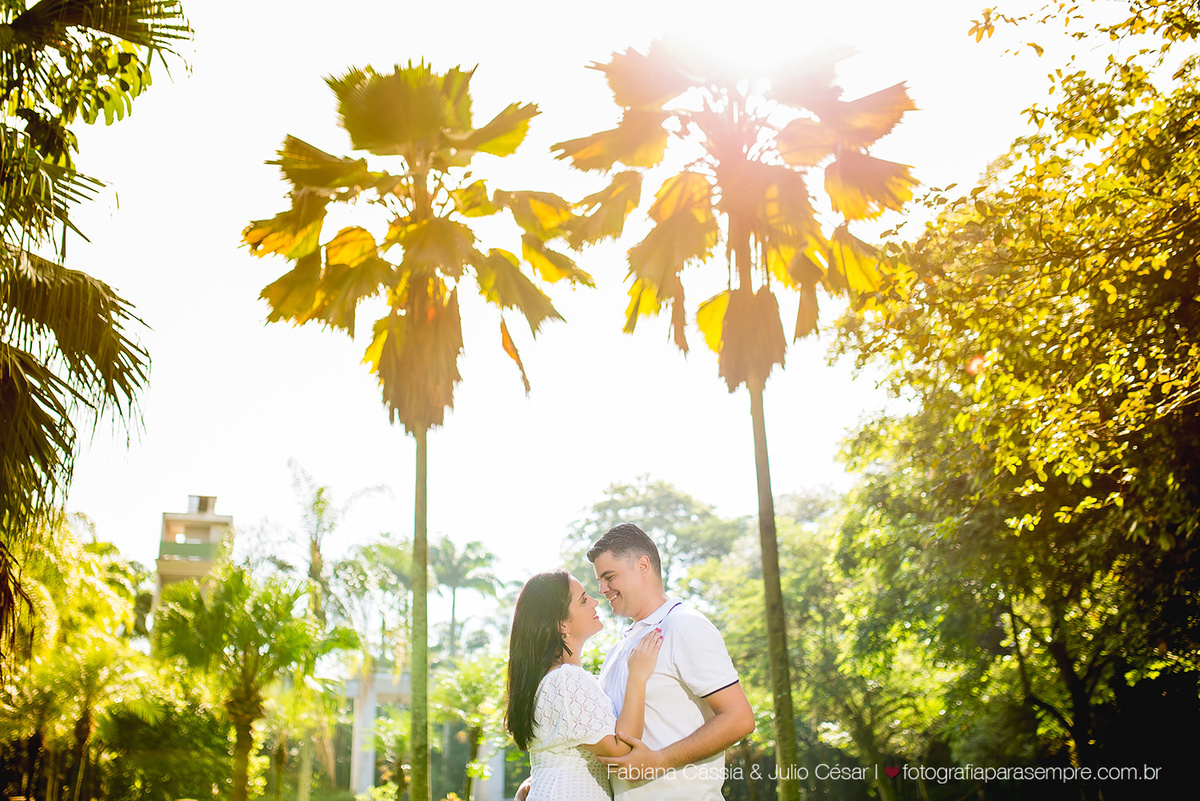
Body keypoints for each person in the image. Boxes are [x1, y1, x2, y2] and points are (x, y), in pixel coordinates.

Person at [588, 523, 755, 800]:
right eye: (599, 581)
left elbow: (739, 718)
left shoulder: (684, 626)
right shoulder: (617, 651)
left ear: (643, 565)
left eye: (609, 577)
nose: (603, 589)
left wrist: (660, 761)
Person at [505, 569, 662, 801]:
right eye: (583, 599)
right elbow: (623, 751)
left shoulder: (547, 679)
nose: (595, 601)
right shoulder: (567, 679)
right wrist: (637, 677)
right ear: (561, 625)